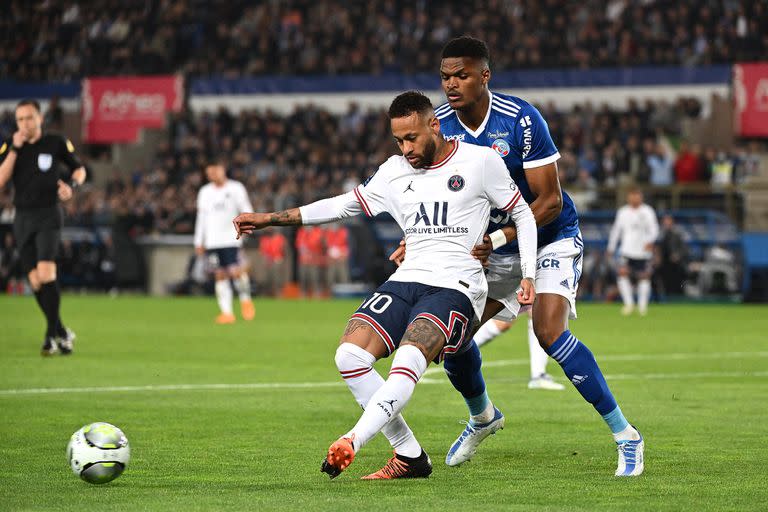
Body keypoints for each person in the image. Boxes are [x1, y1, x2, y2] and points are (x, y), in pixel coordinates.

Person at [233, 91, 538, 480]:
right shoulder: (394, 171)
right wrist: (270, 219)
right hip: (407, 278)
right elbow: (341, 205)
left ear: (434, 125)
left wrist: (527, 273)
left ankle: (353, 440)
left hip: (457, 286)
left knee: (408, 358)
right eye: (398, 140)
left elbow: (524, 215)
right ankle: (409, 455)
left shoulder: (480, 161)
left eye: (412, 138)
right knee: (349, 357)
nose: (406, 148)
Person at [406, 37, 644, 476]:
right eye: (445, 76)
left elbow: (549, 200)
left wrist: (498, 237)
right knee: (454, 337)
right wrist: (414, 236)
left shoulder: (521, 120)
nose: (452, 84)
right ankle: (483, 417)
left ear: (484, 76)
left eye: (461, 74)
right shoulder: (437, 125)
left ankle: (625, 435)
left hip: (549, 238)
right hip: (491, 252)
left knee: (549, 331)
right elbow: (421, 192)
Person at [0, 99, 86, 355]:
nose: (25, 123)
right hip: (23, 218)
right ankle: (61, 331)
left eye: (29, 118)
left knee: (47, 273)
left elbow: (79, 169)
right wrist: (14, 149)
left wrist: (72, 186)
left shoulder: (56, 142)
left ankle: (50, 337)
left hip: (49, 214)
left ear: (40, 118)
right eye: (20, 119)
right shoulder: (10, 145)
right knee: (36, 281)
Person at [193, 160, 255, 324]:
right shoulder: (205, 192)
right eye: (208, 173)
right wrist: (199, 241)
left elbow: (247, 210)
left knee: (236, 272)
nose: (211, 175)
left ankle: (245, 300)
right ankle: (227, 313)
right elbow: (201, 218)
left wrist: (246, 230)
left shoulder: (236, 188)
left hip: (231, 239)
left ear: (222, 170)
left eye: (213, 171)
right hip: (212, 242)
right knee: (219, 275)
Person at [607, 188, 659, 316]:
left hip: (642, 251)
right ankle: (629, 304)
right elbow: (616, 231)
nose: (634, 198)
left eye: (637, 195)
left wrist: (650, 241)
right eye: (632, 196)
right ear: (628, 197)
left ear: (641, 197)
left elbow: (654, 229)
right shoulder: (623, 212)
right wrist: (611, 247)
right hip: (627, 250)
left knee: (644, 277)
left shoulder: (647, 211)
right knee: (623, 274)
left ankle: (642, 306)